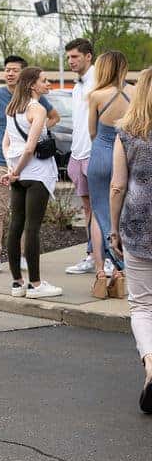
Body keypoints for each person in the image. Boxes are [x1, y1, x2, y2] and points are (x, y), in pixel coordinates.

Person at [0, 56, 59, 275]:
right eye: (7, 70)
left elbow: (54, 117)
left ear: (24, 75)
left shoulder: (33, 101)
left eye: (15, 70)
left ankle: (24, 256)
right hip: (1, 160)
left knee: (22, 215)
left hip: (24, 165)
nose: (10, 73)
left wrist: (35, 132)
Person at [108, 67, 152, 414]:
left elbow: (118, 185)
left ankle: (151, 367)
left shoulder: (126, 134)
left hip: (138, 224)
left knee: (142, 305)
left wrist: (112, 229)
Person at [1, 67, 63, 299]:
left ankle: (17, 283)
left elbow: (6, 143)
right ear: (32, 85)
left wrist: (11, 169)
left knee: (16, 225)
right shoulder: (37, 109)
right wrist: (15, 171)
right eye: (44, 80)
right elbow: (31, 147)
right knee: (32, 228)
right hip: (36, 173)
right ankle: (36, 285)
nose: (48, 83)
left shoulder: (12, 108)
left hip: (18, 174)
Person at [87, 51, 133, 298]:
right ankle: (122, 270)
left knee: (99, 211)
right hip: (127, 155)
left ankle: (102, 272)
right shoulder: (136, 92)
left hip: (102, 154)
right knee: (122, 211)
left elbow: (92, 131)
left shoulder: (96, 95)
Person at [64, 38, 99, 276]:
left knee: (103, 210)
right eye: (68, 57)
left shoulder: (100, 81)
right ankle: (92, 254)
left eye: (75, 57)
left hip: (96, 153)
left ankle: (108, 259)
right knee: (87, 209)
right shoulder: (77, 87)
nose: (70, 61)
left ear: (88, 56)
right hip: (78, 154)